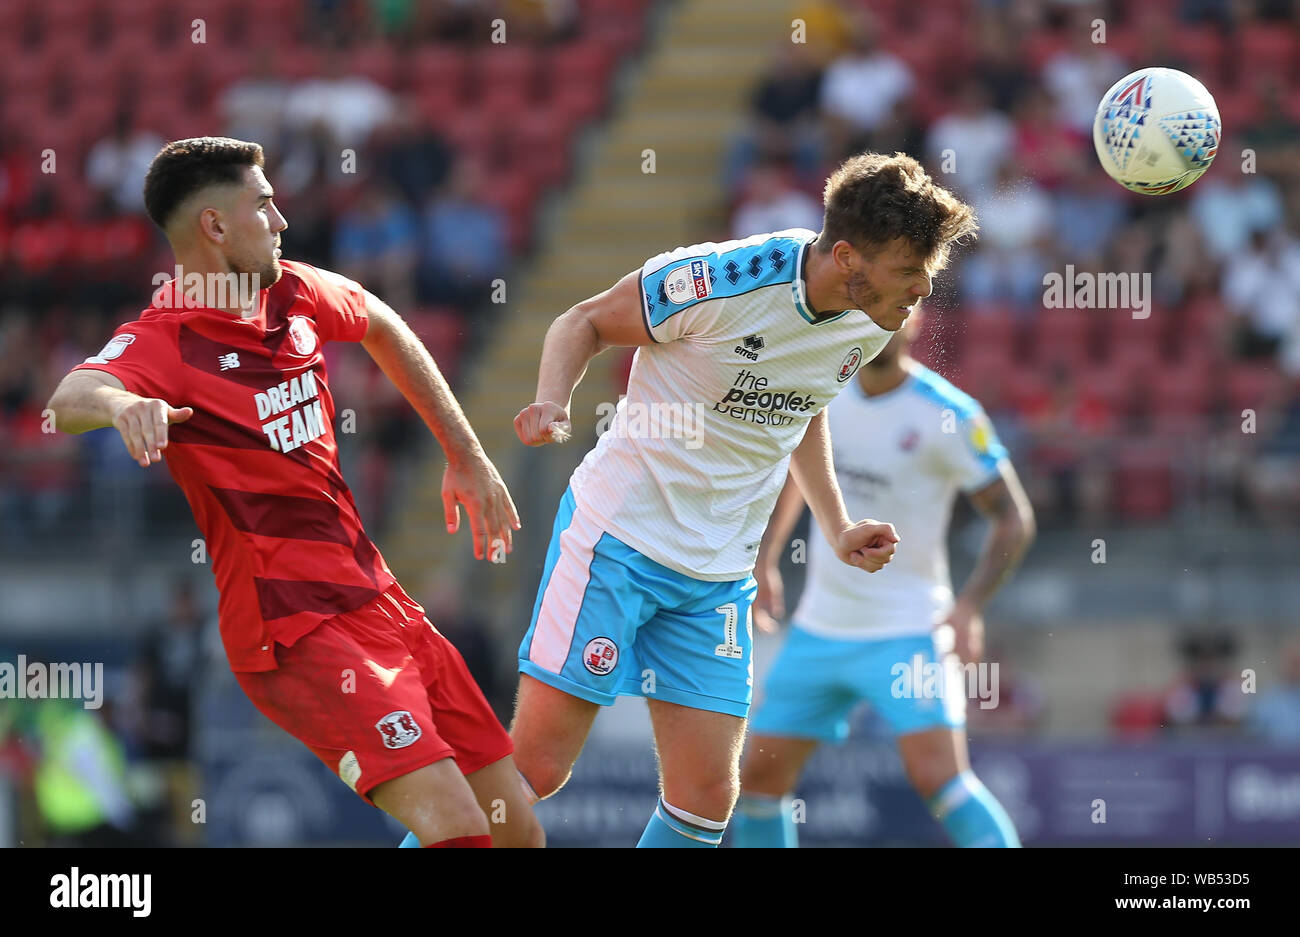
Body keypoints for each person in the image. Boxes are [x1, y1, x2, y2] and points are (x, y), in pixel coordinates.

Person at [45, 137, 542, 848]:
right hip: (293, 631)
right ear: (214, 227)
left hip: (379, 600)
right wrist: (124, 406)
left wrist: (463, 452)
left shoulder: (294, 291)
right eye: (264, 204)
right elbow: (69, 397)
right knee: (460, 831)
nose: (281, 221)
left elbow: (382, 323)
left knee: (516, 831)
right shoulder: (166, 339)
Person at [510, 151, 978, 847]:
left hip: (716, 573)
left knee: (705, 796)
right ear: (847, 256)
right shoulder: (721, 280)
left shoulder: (872, 314)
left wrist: (838, 523)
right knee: (535, 770)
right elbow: (583, 319)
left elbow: (803, 404)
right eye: (910, 272)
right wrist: (553, 399)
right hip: (619, 540)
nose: (922, 291)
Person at [730, 311, 1036, 847]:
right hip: (821, 627)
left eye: (894, 313)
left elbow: (1013, 517)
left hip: (909, 628)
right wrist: (767, 556)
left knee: (941, 780)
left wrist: (968, 607)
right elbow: (798, 478)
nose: (880, 327)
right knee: (757, 782)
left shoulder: (949, 415)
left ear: (914, 320)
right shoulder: (825, 394)